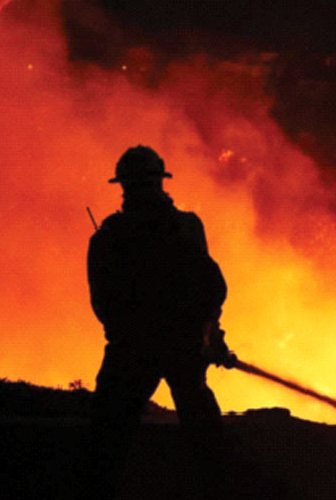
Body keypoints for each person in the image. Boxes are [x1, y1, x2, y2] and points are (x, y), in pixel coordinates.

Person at [85, 145, 229, 496]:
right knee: (203, 430)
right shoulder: (186, 227)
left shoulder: (108, 237)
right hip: (182, 346)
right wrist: (209, 336)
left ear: (124, 186)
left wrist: (126, 334)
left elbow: (103, 302)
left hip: (132, 350)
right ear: (160, 182)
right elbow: (211, 289)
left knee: (109, 434)